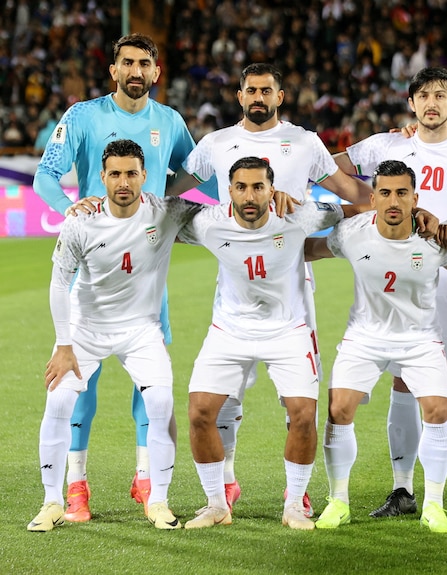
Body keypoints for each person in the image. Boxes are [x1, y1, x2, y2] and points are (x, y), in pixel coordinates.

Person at [167, 62, 372, 517]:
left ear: (280, 96)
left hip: (294, 285)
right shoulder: (216, 143)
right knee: (224, 397)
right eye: (250, 90)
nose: (258, 97)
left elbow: (349, 194)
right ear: (239, 96)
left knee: (298, 400)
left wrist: (393, 198)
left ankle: (295, 493)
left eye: (267, 90)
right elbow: (173, 193)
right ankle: (224, 486)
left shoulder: (303, 142)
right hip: (236, 276)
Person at [32, 33, 198, 522]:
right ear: (113, 70)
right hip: (90, 268)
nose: (135, 71)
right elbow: (47, 175)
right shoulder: (82, 116)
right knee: (79, 382)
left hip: (143, 270)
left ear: (155, 71)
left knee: (151, 385)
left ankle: (146, 478)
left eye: (144, 63)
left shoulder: (170, 122)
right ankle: (76, 486)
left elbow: (196, 174)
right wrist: (70, 208)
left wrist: (167, 200)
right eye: (127, 62)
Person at [333, 67, 447, 521]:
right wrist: (361, 203)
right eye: (423, 95)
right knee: (403, 381)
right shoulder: (387, 145)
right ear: (411, 103)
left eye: (441, 95)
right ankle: (403, 489)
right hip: (403, 283)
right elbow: (328, 167)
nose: (431, 103)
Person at [177, 156, 358, 530]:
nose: (249, 195)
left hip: (286, 330)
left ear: (271, 190)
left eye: (258, 186)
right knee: (199, 413)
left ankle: (294, 504)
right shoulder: (209, 222)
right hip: (229, 330)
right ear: (228, 191)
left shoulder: (300, 216)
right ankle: (216, 505)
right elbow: (162, 218)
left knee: (303, 416)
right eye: (241, 186)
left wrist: (412, 212)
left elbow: (352, 210)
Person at [306, 160, 447, 533]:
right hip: (365, 336)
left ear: (415, 197)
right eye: (385, 192)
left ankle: (433, 504)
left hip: (420, 338)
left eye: (402, 192)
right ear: (373, 197)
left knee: (436, 410)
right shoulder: (352, 233)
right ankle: (339, 500)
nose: (393, 200)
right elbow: (311, 250)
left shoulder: (434, 241)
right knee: (339, 407)